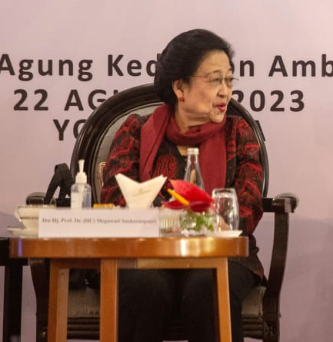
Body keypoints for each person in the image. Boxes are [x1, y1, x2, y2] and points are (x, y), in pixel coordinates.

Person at [100, 29, 263, 342]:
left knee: (208, 287)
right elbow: (118, 201)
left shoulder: (237, 133)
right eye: (215, 79)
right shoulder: (136, 131)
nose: (225, 91)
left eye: (230, 80)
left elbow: (247, 207)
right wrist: (186, 222)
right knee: (143, 288)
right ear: (180, 86)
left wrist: (176, 222)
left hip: (221, 255)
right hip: (142, 254)